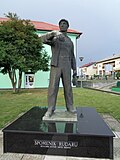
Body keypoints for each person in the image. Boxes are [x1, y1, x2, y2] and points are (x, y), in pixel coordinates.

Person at [41, 19, 77, 117]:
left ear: (67, 26)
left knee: (68, 88)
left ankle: (70, 107)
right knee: (53, 88)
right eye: (61, 24)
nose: (62, 25)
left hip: (67, 66)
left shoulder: (70, 41)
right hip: (56, 65)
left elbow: (72, 56)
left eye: (64, 24)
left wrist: (75, 70)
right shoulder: (55, 38)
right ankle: (50, 109)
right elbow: (42, 39)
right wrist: (52, 33)